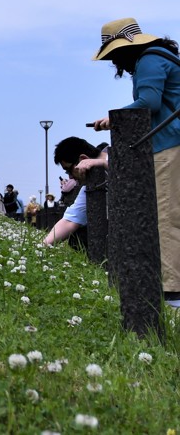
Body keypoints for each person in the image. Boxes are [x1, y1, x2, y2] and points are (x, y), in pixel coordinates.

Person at [90, 17, 180, 308]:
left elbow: (149, 104)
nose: (116, 62)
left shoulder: (149, 61)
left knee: (165, 214)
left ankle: (170, 293)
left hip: (169, 144)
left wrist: (111, 119)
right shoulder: (164, 58)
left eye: (115, 55)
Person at [43, 137, 109, 246]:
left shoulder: (128, 156)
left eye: (69, 170)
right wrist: (43, 245)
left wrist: (104, 164)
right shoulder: (89, 186)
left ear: (83, 159)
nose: (70, 176)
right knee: (77, 237)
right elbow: (70, 221)